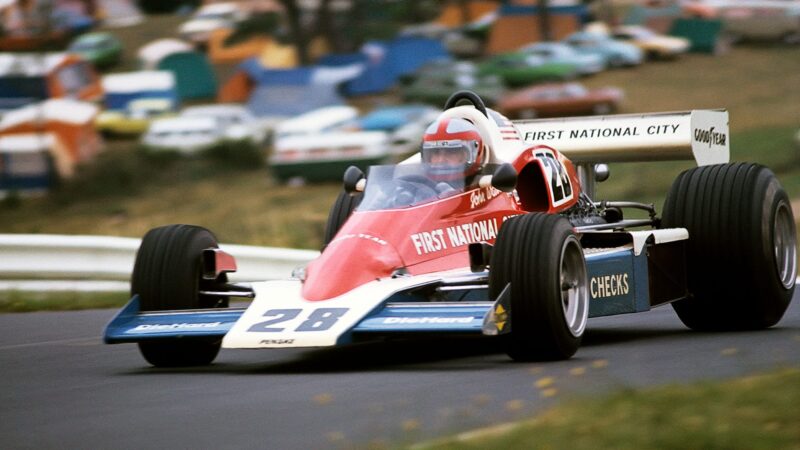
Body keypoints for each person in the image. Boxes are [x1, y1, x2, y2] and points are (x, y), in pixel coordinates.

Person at [420, 116, 487, 190]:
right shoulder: (417, 185)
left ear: (475, 153)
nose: (441, 160)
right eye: (436, 152)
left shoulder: (489, 182)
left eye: (451, 152)